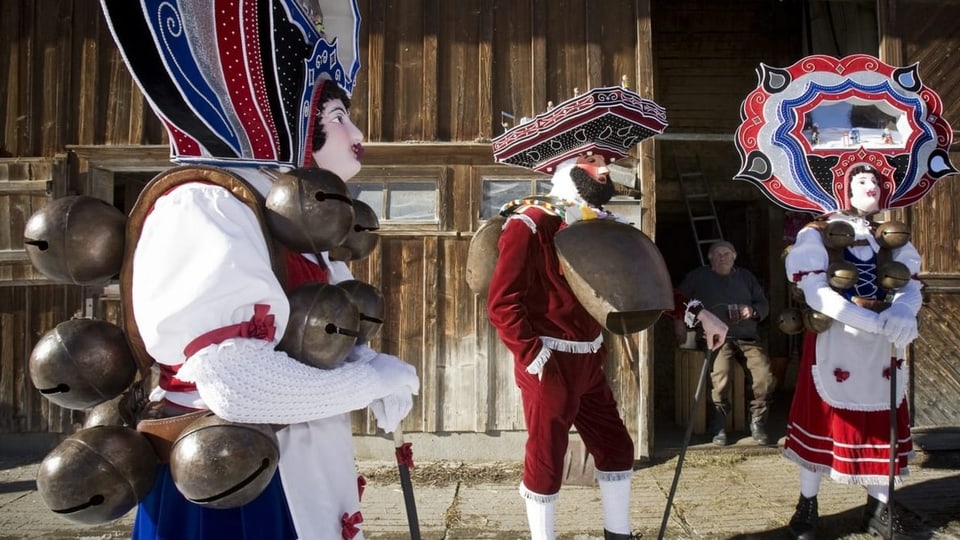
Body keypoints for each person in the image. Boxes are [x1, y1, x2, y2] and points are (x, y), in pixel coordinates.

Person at [126, 78, 419, 539]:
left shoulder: (285, 211)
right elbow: (237, 388)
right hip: (233, 481)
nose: (358, 135)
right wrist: (367, 382)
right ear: (288, 118)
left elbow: (308, 339)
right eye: (338, 119)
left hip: (299, 465)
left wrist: (370, 363)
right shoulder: (209, 203)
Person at [486, 154, 728, 540]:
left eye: (604, 163)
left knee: (616, 446)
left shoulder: (605, 227)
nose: (603, 171)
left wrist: (700, 314)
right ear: (567, 169)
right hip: (549, 360)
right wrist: (532, 355)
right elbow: (502, 302)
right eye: (593, 162)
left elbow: (644, 285)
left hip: (589, 358)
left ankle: (618, 533)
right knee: (547, 456)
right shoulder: (531, 222)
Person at [783, 163, 922, 540]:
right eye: (862, 181)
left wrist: (906, 312)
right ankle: (807, 508)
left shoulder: (890, 236)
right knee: (821, 420)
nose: (872, 186)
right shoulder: (816, 233)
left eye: (876, 180)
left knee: (882, 424)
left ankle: (879, 508)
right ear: (842, 188)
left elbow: (911, 283)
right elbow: (816, 292)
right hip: (835, 339)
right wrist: (872, 321)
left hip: (882, 347)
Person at [674, 240, 776, 446]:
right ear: (710, 258)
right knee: (721, 375)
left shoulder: (746, 277)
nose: (723, 257)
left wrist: (752, 311)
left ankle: (757, 422)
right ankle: (718, 425)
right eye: (718, 254)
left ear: (734, 256)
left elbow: (763, 303)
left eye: (727, 253)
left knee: (764, 376)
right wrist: (678, 323)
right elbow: (678, 297)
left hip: (747, 336)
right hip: (717, 338)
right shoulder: (698, 276)